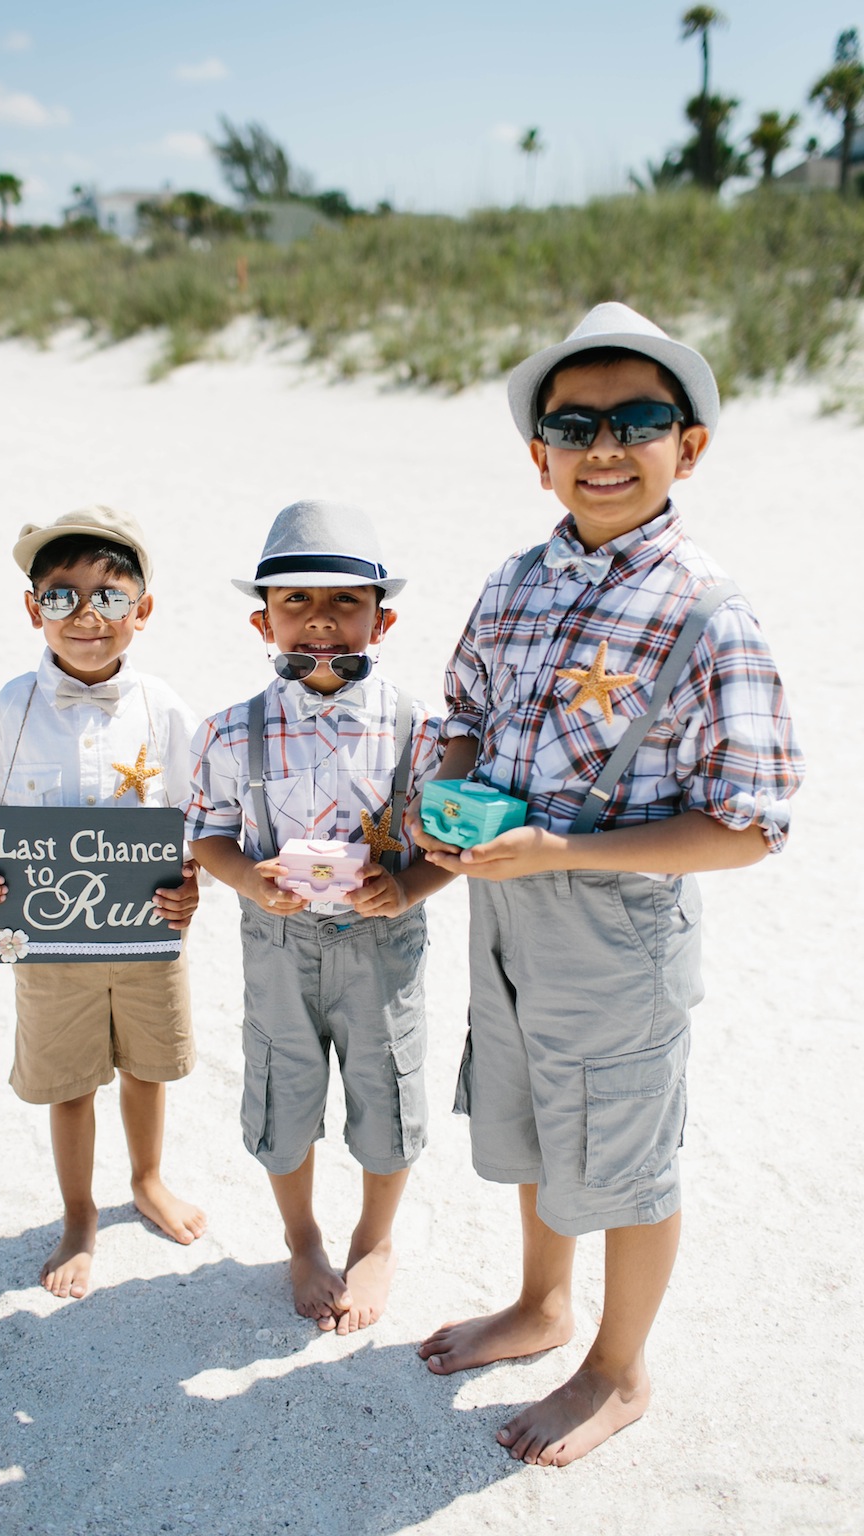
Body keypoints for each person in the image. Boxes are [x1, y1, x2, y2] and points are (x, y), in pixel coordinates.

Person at [414, 304, 805, 1465]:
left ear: (688, 446)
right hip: (504, 906)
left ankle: (618, 1368)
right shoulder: (516, 580)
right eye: (572, 424)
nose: (603, 445)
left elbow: (750, 825)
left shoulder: (708, 611)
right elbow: (466, 716)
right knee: (533, 1113)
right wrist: (445, 801)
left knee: (626, 1151)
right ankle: (541, 1305)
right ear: (538, 454)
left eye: (638, 420)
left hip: (616, 925)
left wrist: (568, 850)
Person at [185, 500, 451, 1334]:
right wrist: (250, 882)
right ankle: (302, 1238)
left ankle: (374, 1240)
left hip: (384, 940)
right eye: (296, 603)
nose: (322, 622)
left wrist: (404, 888)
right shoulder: (232, 731)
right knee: (280, 1083)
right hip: (277, 940)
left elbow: (448, 848)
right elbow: (208, 835)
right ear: (262, 620)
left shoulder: (422, 733)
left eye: (345, 603)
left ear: (384, 617)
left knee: (388, 1084)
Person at [0, 506, 204, 1301]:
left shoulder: (163, 708)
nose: (88, 615)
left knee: (147, 1066)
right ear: (34, 610)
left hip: (144, 935)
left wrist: (191, 882)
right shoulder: (11, 707)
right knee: (69, 1080)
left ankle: (148, 1177)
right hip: (48, 939)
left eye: (110, 595)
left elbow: (198, 812)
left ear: (144, 610)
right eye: (62, 597)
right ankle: (77, 1213)